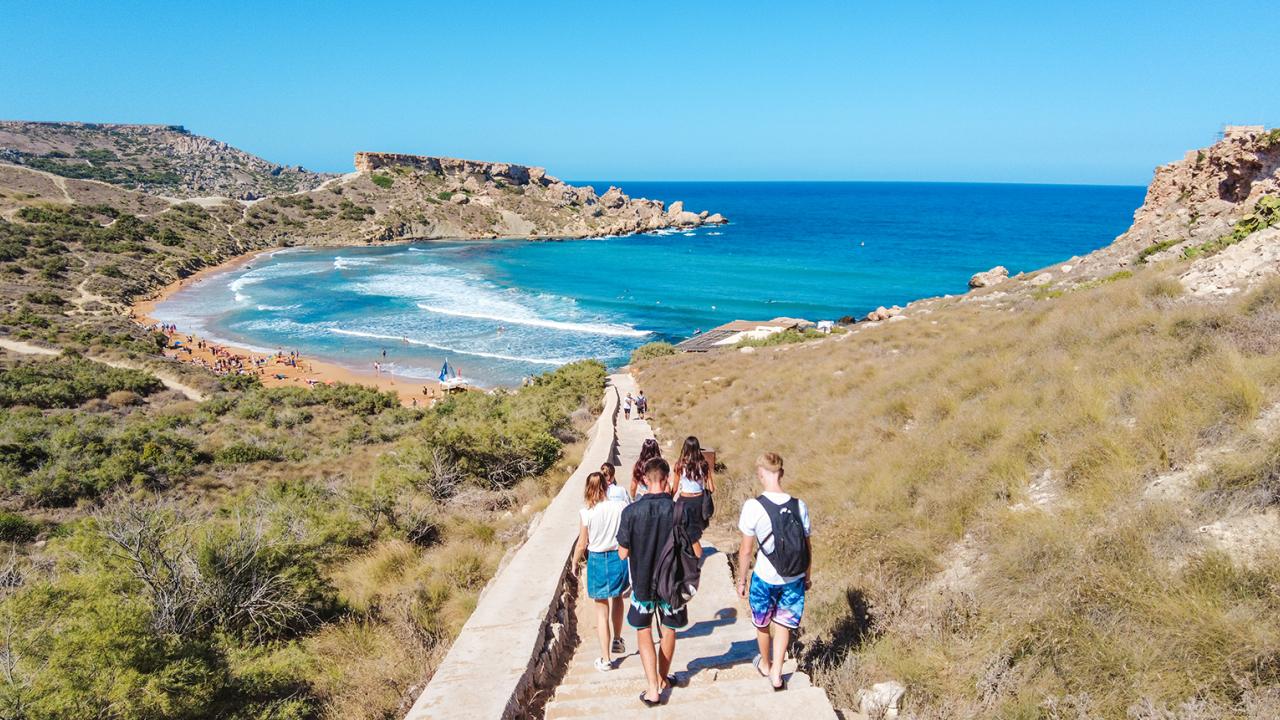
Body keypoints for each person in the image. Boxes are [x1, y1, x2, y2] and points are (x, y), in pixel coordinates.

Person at [617, 457, 701, 706]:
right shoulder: (679, 511)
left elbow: (623, 553)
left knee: (643, 630)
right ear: (667, 480)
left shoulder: (630, 512)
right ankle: (664, 678)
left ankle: (653, 689)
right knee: (669, 629)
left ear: (644, 479)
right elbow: (696, 552)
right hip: (671, 583)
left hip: (642, 582)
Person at [736, 452, 812, 692]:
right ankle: (778, 674)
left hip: (765, 576)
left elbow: (746, 550)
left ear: (761, 474)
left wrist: (741, 579)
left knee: (762, 622)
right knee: (783, 623)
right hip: (794, 576)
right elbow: (808, 546)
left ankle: (766, 665)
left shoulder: (753, 506)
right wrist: (807, 576)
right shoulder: (799, 505)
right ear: (781, 473)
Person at [572, 472, 629, 672]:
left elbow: (582, 543)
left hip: (597, 559)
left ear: (588, 488)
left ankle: (606, 659)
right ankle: (618, 639)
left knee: (601, 610)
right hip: (618, 557)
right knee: (618, 598)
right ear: (607, 486)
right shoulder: (620, 506)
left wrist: (574, 563)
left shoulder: (586, 512)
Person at [673, 436, 714, 544]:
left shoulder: (679, 465)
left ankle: (688, 552)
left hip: (684, 501)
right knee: (697, 531)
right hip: (699, 501)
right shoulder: (704, 465)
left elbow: (675, 488)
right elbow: (711, 488)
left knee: (684, 529)